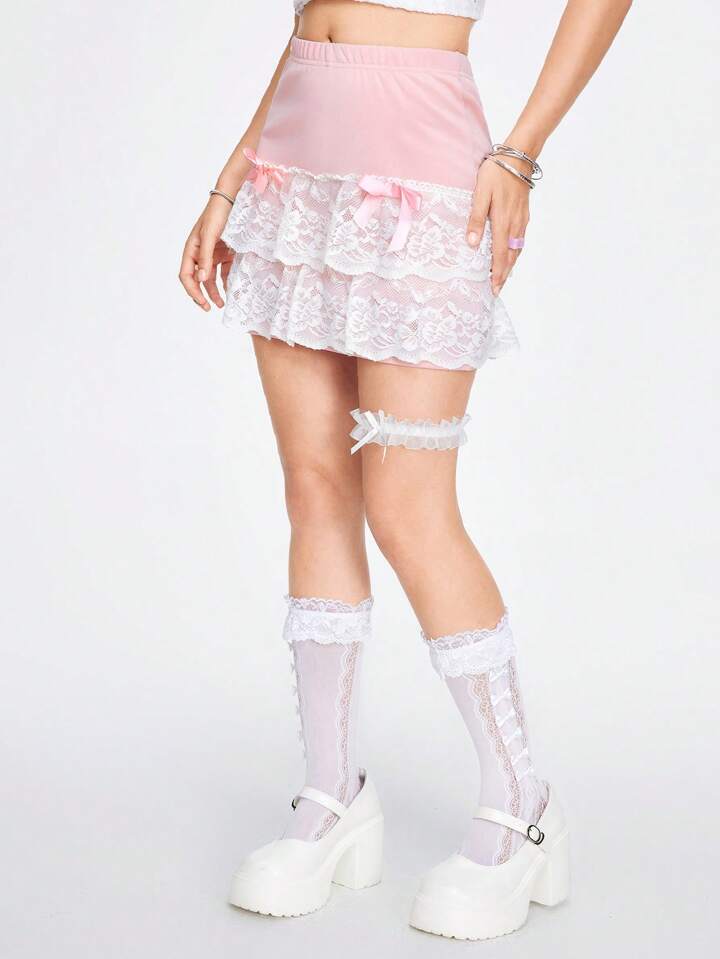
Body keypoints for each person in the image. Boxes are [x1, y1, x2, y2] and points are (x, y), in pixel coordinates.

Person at [179, 0, 632, 941]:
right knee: (315, 489)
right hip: (291, 174)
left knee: (408, 507)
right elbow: (315, 21)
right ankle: (332, 794)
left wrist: (521, 151)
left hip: (422, 178)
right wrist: (231, 180)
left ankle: (524, 802)